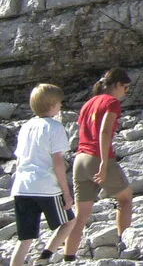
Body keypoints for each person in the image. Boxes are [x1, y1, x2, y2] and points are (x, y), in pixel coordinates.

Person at [64, 68, 134, 262]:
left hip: (80, 159)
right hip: (97, 157)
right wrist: (104, 163)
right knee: (125, 198)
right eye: (125, 88)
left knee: (81, 216)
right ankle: (125, 244)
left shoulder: (88, 103)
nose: (125, 92)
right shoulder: (112, 103)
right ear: (117, 85)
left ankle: (68, 257)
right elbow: (104, 132)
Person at [9, 84, 75, 266]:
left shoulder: (26, 126)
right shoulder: (54, 127)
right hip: (46, 186)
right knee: (69, 222)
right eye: (60, 103)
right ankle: (44, 258)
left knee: (25, 238)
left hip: (22, 187)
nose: (61, 106)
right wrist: (66, 193)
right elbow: (58, 163)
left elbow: (20, 160)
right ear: (52, 104)